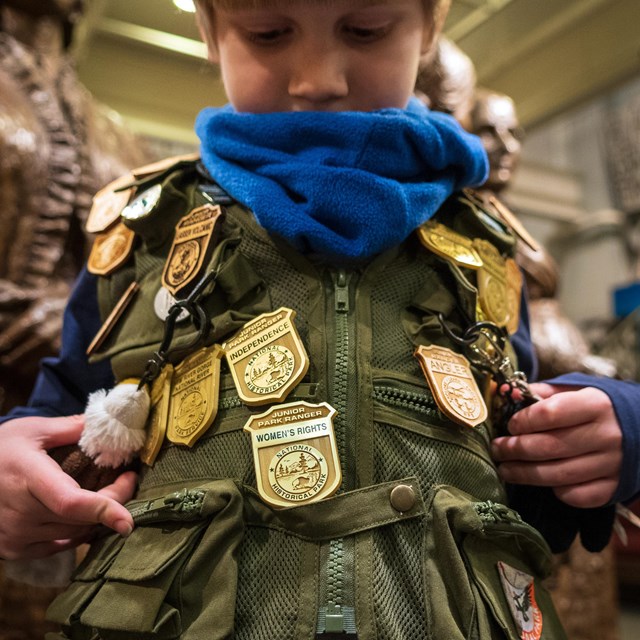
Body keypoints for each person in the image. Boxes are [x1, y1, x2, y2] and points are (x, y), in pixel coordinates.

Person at [0, 0, 638, 638]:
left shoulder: (488, 244)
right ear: (209, 31)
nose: (317, 79)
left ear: (431, 28)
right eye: (268, 32)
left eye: (365, 29)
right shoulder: (141, 227)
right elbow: (57, 410)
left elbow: (521, 436)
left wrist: (619, 426)